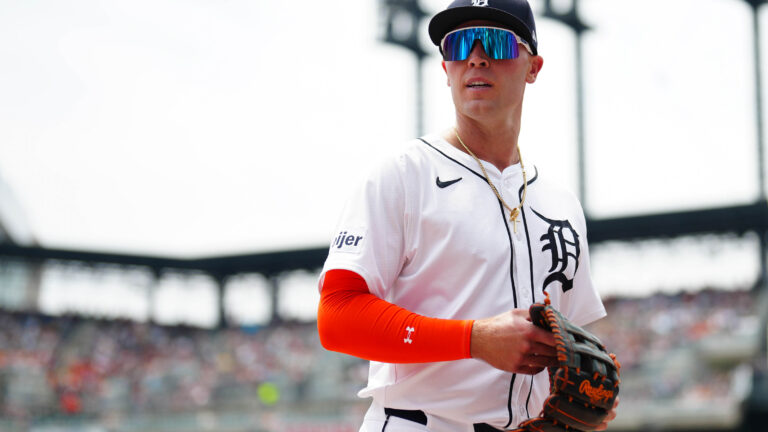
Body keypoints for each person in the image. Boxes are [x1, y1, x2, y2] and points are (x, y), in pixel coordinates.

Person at [317, 1, 618, 431]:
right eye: (458, 44)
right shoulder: (404, 175)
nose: (476, 56)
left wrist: (585, 392)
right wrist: (473, 339)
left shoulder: (561, 203)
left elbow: (569, 342)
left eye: (495, 41)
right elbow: (337, 316)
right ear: (446, 69)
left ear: (533, 66)